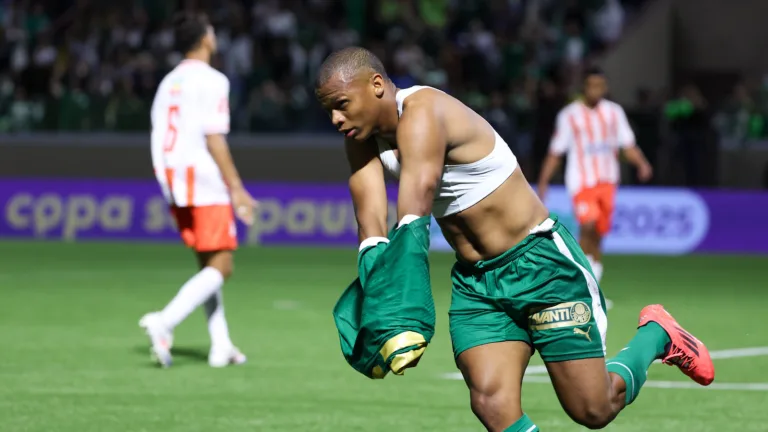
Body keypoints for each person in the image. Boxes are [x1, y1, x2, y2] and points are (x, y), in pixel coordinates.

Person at [315, 47, 713, 431]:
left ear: (377, 84)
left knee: (593, 409)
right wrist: (377, 298)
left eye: (342, 103)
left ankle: (657, 334)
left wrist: (404, 307)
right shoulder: (359, 137)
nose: (335, 118)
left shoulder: (422, 111)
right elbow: (370, 224)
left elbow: (417, 198)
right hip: (477, 284)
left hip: (541, 266)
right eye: (328, 109)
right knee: (491, 402)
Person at [140, 12, 257, 368]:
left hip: (174, 179)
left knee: (208, 264)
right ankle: (165, 322)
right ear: (206, 39)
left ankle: (220, 345)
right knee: (222, 267)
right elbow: (213, 137)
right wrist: (236, 188)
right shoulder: (213, 80)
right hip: (203, 178)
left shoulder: (168, 82)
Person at [537, 67, 653, 309]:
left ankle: (592, 288)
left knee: (598, 234)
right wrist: (544, 181)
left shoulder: (614, 113)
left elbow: (627, 145)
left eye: (601, 86)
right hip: (582, 182)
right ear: (584, 87)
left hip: (607, 181)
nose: (596, 90)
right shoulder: (570, 115)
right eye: (592, 85)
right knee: (587, 226)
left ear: (605, 87)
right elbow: (556, 151)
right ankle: (580, 284)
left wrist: (641, 163)